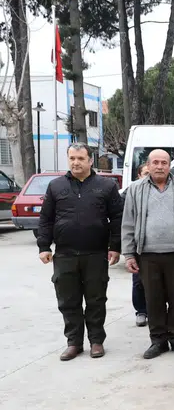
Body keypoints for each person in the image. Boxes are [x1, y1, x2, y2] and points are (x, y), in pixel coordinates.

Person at [38, 143, 123, 361]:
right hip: (64, 255)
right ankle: (74, 343)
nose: (76, 163)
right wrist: (44, 246)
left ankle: (96, 341)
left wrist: (115, 247)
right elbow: (46, 219)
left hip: (95, 254)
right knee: (68, 301)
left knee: (96, 300)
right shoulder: (56, 186)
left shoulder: (106, 186)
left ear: (90, 160)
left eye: (80, 158)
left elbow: (117, 218)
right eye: (72, 158)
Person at [122, 149, 174, 359]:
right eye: (155, 162)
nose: (160, 166)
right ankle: (158, 341)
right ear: (148, 165)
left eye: (164, 162)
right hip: (147, 256)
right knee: (153, 300)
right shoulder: (136, 188)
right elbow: (128, 223)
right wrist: (129, 254)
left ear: (169, 165)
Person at [132, 163, 150, 327]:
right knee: (139, 281)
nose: (148, 176)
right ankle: (141, 311)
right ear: (139, 176)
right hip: (138, 245)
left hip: (157, 247)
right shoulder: (132, 192)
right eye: (145, 173)